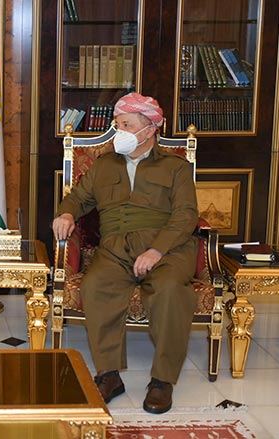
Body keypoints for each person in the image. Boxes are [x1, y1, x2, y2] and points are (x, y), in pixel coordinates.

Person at [52, 92, 198, 414]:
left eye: (126, 125)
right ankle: (108, 375)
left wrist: (156, 250)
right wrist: (66, 213)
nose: (119, 131)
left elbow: (186, 215)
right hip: (116, 248)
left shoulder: (176, 168)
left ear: (149, 129)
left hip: (167, 247)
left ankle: (162, 380)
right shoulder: (104, 165)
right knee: (95, 285)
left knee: (170, 290)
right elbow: (77, 198)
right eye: (117, 124)